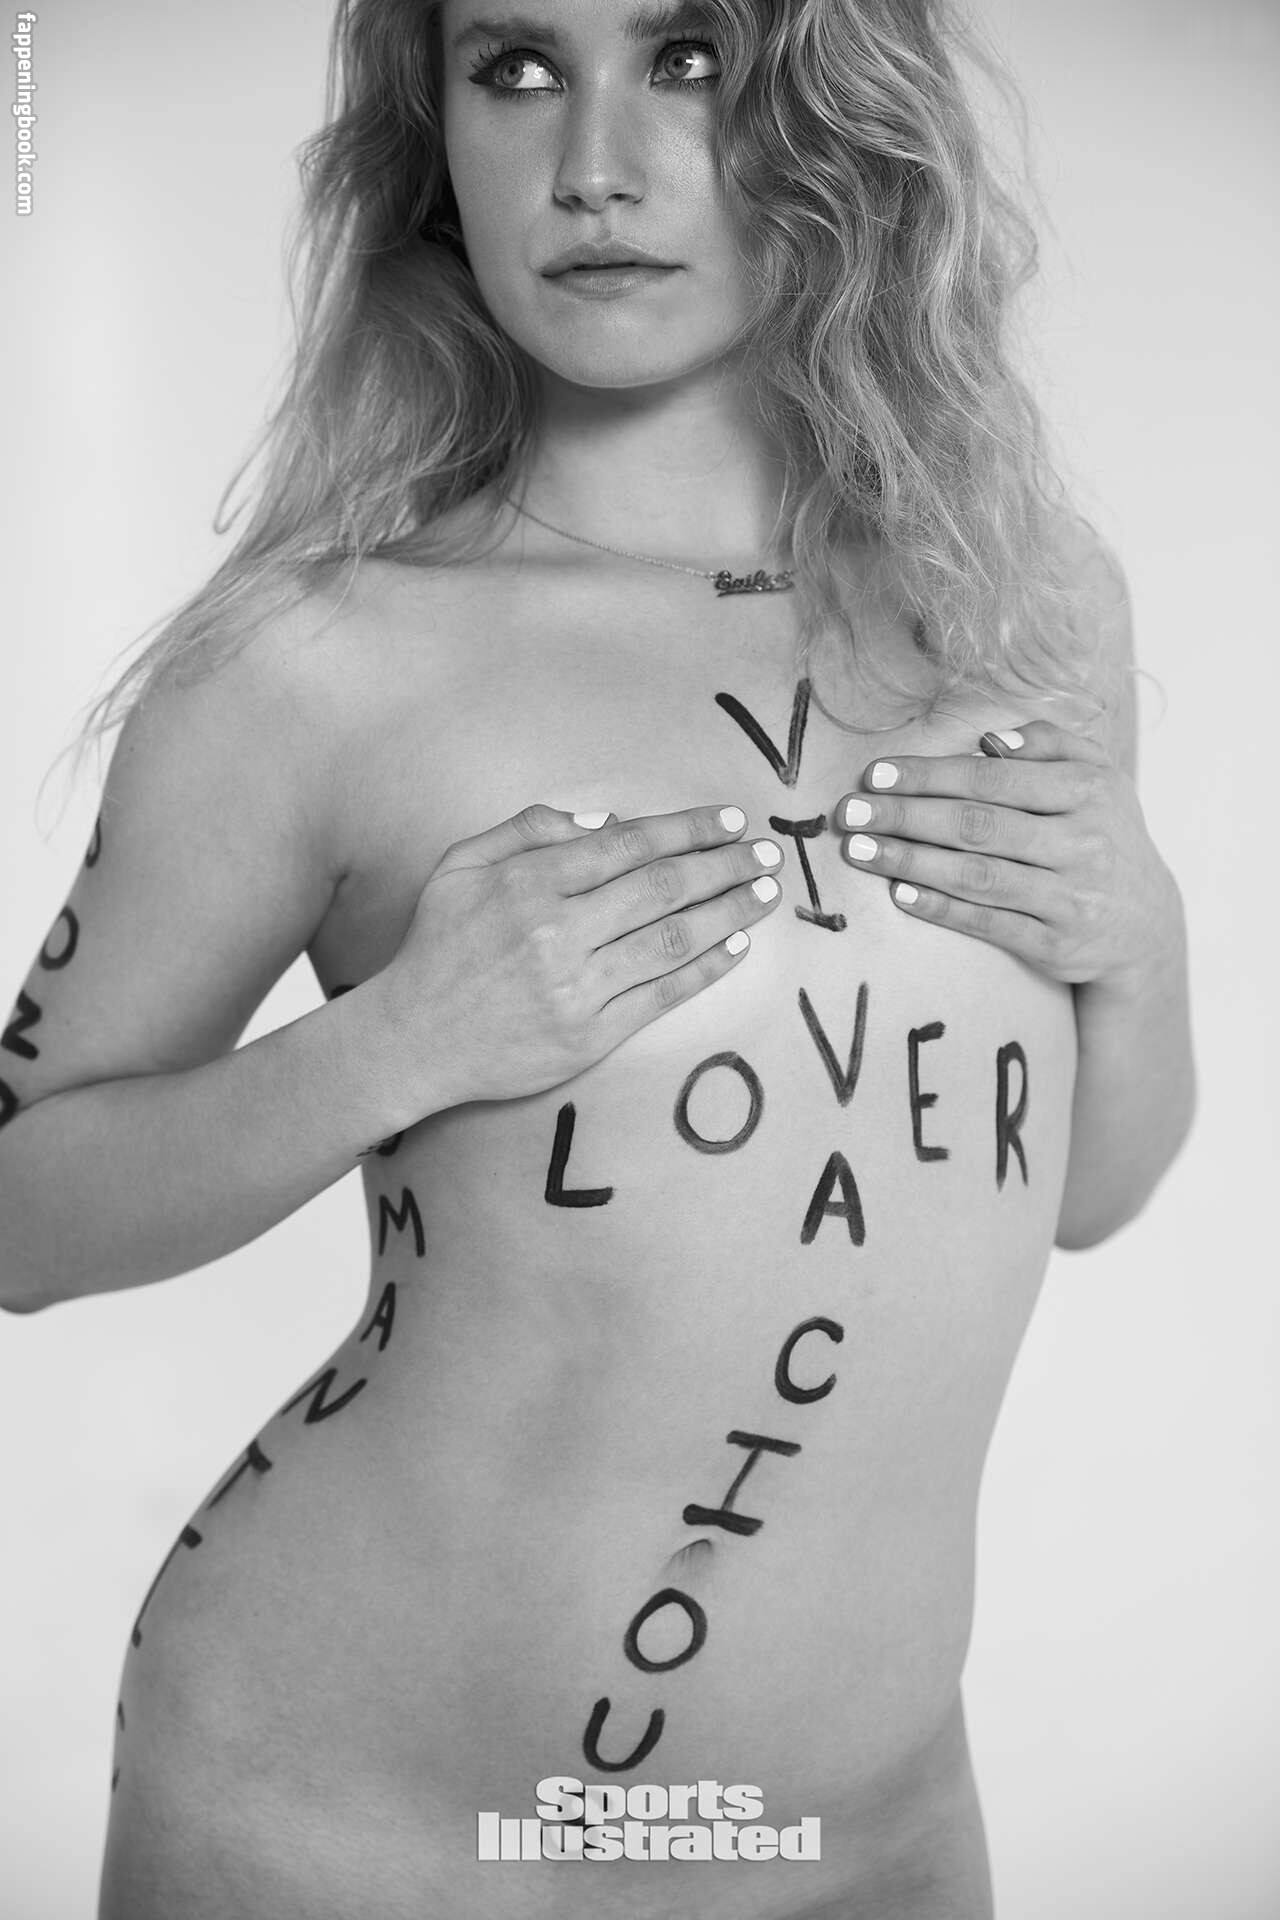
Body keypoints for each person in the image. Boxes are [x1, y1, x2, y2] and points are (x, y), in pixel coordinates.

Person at [1, 1, 1195, 1914]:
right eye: (517, 69)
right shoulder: (314, 662)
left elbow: (1085, 1198)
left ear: (835, 109)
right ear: (434, 132)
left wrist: (1141, 943)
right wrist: (398, 1042)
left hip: (866, 1843)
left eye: (690, 57)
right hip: (354, 1830)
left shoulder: (1020, 604)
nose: (594, 168)